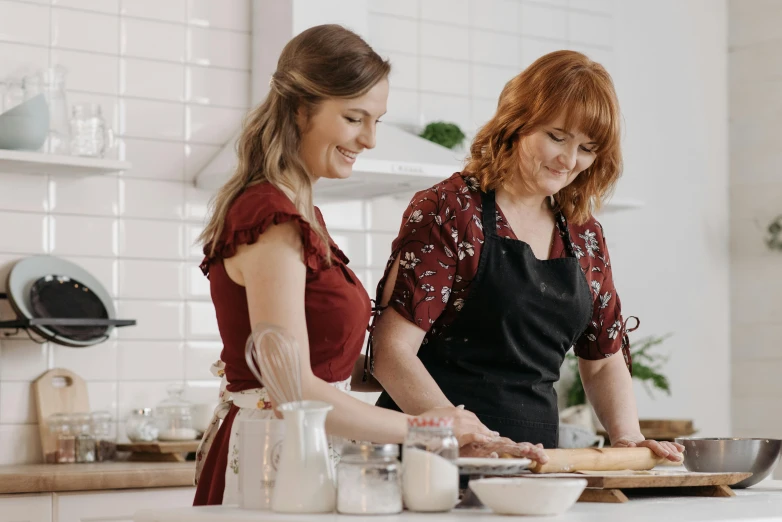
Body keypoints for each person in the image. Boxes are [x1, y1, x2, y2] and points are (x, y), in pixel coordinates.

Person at [192, 24, 547, 506]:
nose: (370, 139)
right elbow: (292, 386)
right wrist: (428, 426)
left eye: (376, 120)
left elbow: (326, 364)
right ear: (300, 109)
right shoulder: (271, 218)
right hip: (275, 457)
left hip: (307, 449)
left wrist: (457, 368)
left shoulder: (301, 214)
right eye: (354, 118)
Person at [368, 50, 684, 461]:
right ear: (517, 122)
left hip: (534, 464)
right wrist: (467, 437)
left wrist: (627, 438)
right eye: (556, 137)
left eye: (587, 148)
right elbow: (391, 353)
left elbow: (603, 359)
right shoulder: (452, 209)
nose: (570, 161)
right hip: (430, 457)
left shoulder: (584, 235)